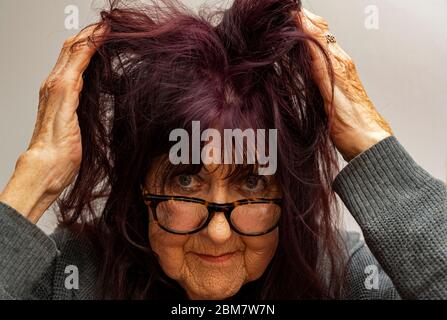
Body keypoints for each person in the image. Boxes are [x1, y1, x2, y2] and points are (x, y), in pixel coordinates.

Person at [0, 0, 446, 300]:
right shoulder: (72, 277)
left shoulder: (348, 278)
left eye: (251, 181)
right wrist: (35, 178)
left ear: (286, 194)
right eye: (186, 179)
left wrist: (370, 141)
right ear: (141, 184)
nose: (217, 233)